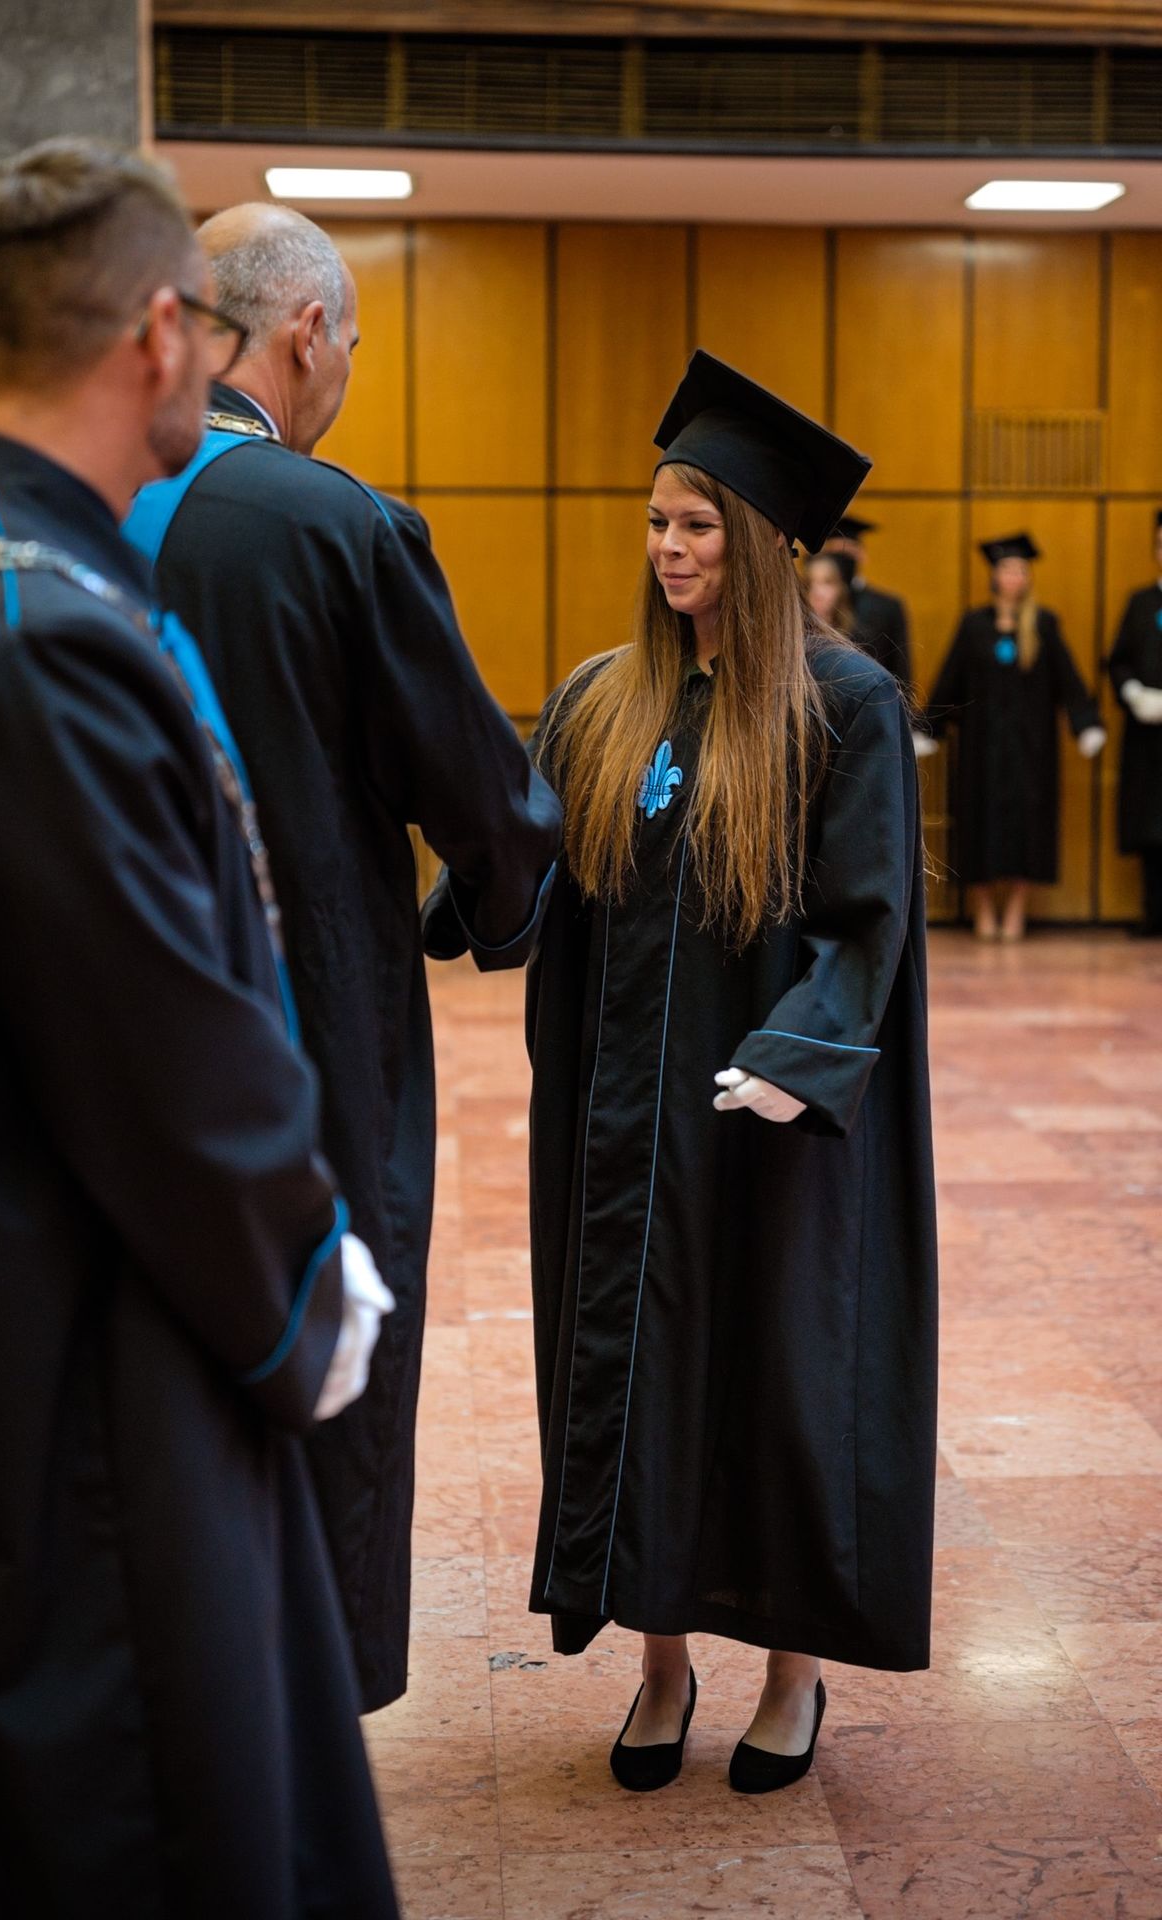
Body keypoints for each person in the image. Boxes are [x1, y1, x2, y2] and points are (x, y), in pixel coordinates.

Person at [0, 140, 400, 1920]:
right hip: (100, 1366)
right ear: (162, 334)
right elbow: (166, 1065)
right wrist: (310, 1290)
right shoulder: (36, 632)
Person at [125, 202, 562, 1714]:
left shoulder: (84, 500)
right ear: (306, 329)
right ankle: (301, 1714)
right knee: (326, 1349)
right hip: (305, 1031)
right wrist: (505, 911)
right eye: (356, 343)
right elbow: (480, 792)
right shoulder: (333, 523)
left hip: (98, 1027)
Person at [517, 350, 938, 1796]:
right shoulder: (603, 697)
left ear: (761, 542)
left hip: (768, 1123)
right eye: (656, 522)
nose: (670, 549)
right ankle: (661, 1667)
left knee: (775, 1382)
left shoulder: (842, 706)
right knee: (639, 1385)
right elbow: (526, 861)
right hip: (626, 1125)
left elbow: (867, 918)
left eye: (697, 525)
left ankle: (791, 1677)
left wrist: (793, 1060)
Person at [925, 533, 1105, 941]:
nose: (1014, 577)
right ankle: (983, 905)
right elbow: (950, 680)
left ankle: (1017, 907)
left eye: (1021, 570)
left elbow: (1069, 680)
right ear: (994, 575)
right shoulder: (974, 625)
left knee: (1029, 825)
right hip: (981, 748)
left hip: (1031, 749)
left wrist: (1086, 723)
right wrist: (929, 727)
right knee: (978, 820)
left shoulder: (1043, 624)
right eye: (1007, 569)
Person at [1107, 511, 1162, 937]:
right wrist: (1133, 692)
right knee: (1150, 824)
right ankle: (1153, 912)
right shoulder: (1141, 603)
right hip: (1147, 736)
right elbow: (1118, 660)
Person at [825, 512, 912, 692]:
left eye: (847, 554)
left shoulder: (887, 607)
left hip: (872, 698)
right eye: (835, 554)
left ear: (862, 555)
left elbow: (901, 672)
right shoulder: (810, 603)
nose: (842, 562)